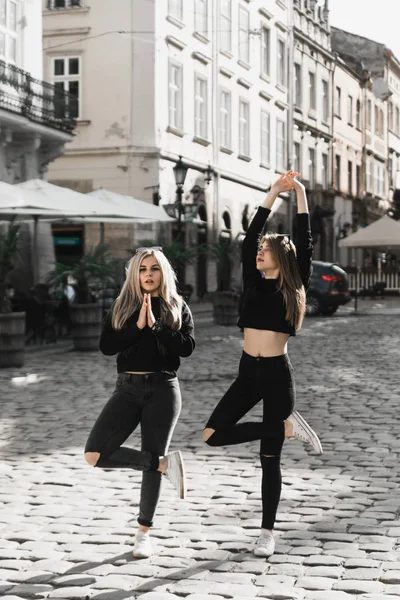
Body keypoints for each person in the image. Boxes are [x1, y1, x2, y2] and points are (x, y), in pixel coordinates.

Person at [203, 171, 322, 558]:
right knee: (213, 434)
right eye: (259, 250)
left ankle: (266, 532)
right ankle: (287, 427)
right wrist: (272, 193)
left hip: (276, 376)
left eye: (266, 250)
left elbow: (304, 240)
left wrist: (300, 193)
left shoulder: (295, 285)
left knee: (268, 461)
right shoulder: (252, 281)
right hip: (246, 374)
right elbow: (251, 234)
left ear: (280, 258)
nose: (259, 252)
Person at [84, 247, 195, 559]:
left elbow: (186, 348)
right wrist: (137, 327)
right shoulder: (123, 305)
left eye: (154, 269)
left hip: (163, 389)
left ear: (163, 273)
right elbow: (106, 346)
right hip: (127, 389)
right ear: (135, 274)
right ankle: (162, 464)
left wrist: (158, 327)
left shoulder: (176, 305)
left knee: (152, 452)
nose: (148, 274)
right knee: (95, 453)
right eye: (143, 269)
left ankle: (143, 533)